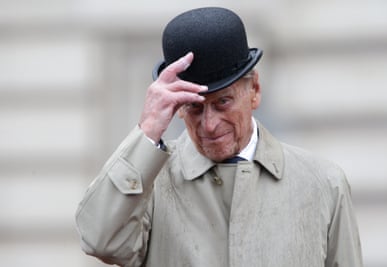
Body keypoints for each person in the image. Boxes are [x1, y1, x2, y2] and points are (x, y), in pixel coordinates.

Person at [75, 7, 363, 267]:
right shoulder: (150, 186)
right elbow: (99, 241)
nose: (210, 125)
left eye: (222, 102)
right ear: (177, 109)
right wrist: (147, 129)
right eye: (195, 107)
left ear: (255, 91)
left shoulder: (323, 184)